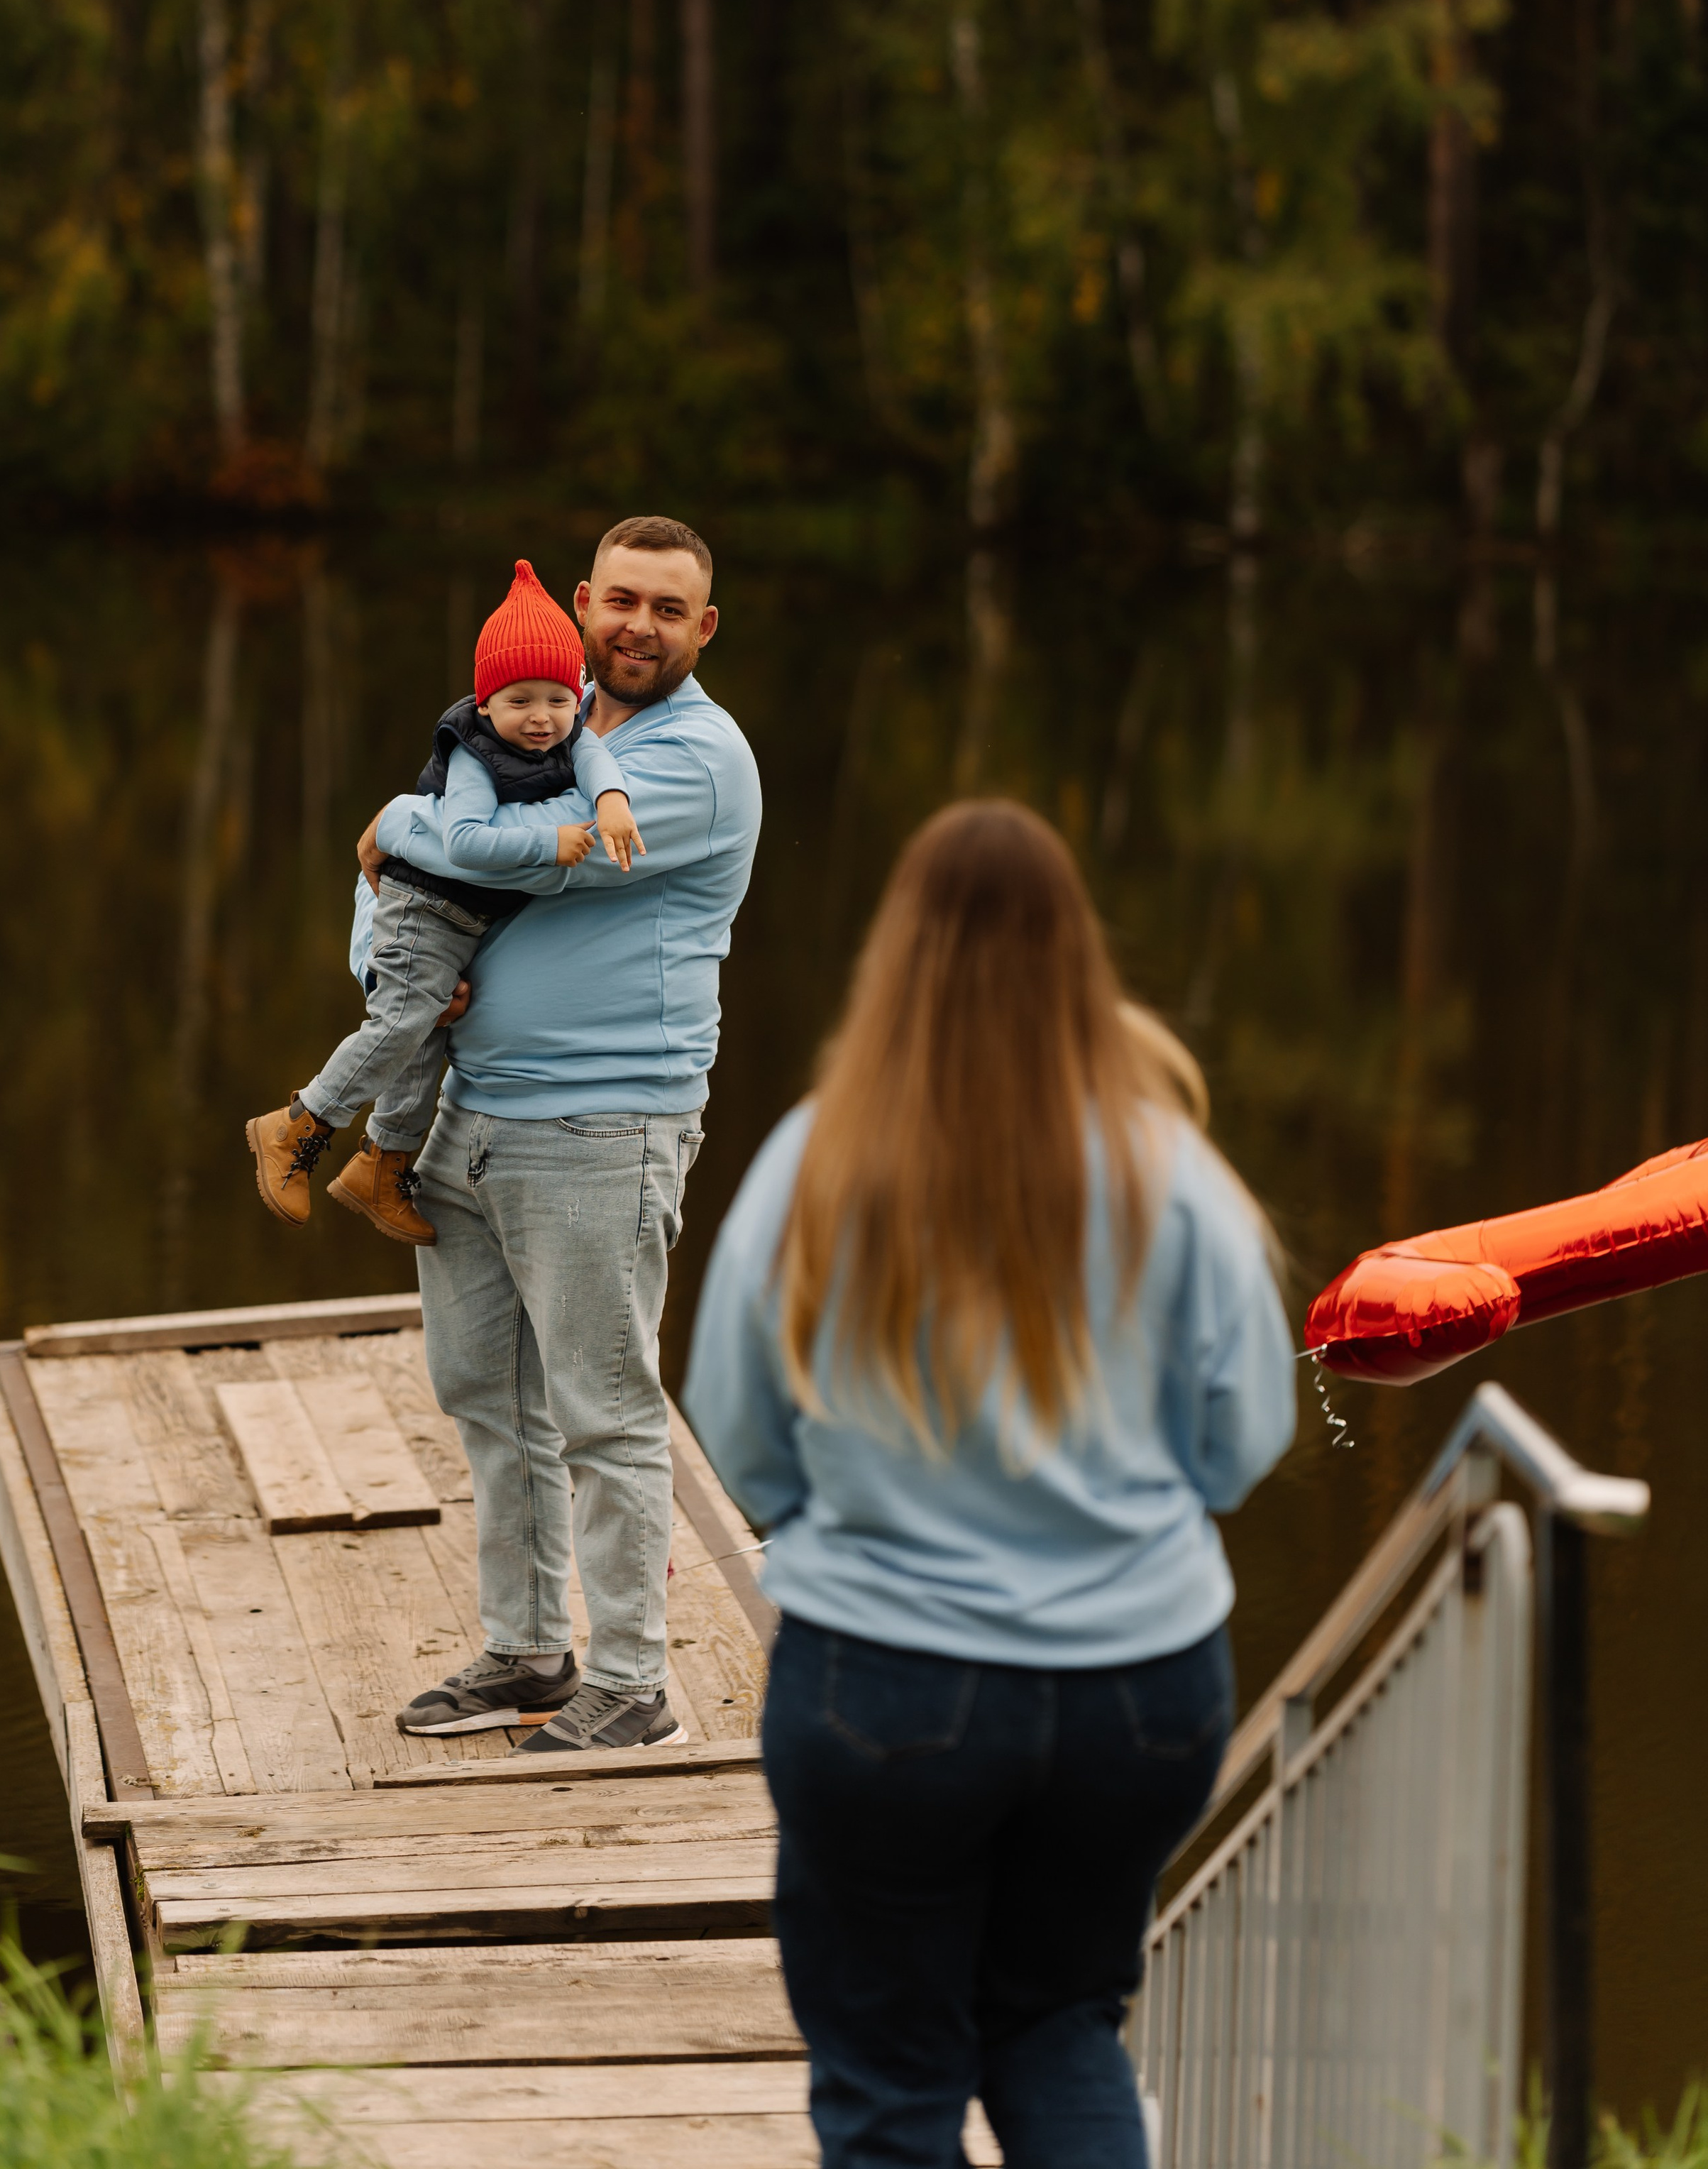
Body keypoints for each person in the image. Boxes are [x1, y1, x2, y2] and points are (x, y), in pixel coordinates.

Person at [684, 799, 1295, 2169]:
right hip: (1138, 1691)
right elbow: (1242, 1444)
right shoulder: (1174, 1174)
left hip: (886, 1684)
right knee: (1059, 2026)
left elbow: (738, 1425)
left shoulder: (818, 1162)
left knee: (892, 2086)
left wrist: (844, 1517)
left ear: (896, 958)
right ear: (1080, 956)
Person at [360, 516, 762, 1752]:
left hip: (601, 1127)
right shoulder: (532, 720)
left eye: (667, 608)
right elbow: (415, 874)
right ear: (584, 603)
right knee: (489, 1396)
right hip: (470, 1121)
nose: (638, 625)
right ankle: (529, 1650)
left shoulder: (691, 761)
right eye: (622, 600)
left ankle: (634, 1681)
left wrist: (387, 827)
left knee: (604, 1410)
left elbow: (500, 864)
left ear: (704, 627)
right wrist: (383, 936)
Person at [245, 560, 641, 1246]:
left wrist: (610, 800)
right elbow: (462, 842)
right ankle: (298, 1124)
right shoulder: (473, 755)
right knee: (401, 1026)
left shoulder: (570, 731)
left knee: (427, 1038)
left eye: (556, 698)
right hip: (423, 907)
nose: (542, 717)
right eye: (521, 700)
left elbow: (596, 756)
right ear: (485, 704)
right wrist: (549, 843)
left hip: (463, 923)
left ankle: (385, 1163)